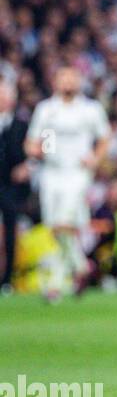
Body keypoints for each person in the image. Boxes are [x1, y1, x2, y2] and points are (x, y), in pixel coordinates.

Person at [23, 67, 110, 299]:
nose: (68, 82)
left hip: (78, 173)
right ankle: (81, 268)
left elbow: (104, 136)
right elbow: (32, 142)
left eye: (72, 77)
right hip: (51, 173)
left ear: (79, 81)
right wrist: (38, 150)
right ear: (55, 82)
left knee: (65, 222)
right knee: (55, 227)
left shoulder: (90, 109)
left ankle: (55, 284)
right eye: (63, 78)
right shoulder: (46, 109)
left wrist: (95, 157)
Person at [0, 77, 30, 292]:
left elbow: (48, 142)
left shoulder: (23, 124)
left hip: (10, 187)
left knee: (10, 232)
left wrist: (31, 165)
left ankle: (7, 280)